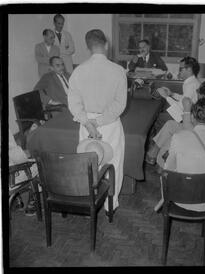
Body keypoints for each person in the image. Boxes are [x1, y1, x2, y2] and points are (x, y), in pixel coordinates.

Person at [68, 29, 127, 215]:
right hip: (109, 124)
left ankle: (90, 200)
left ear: (88, 47)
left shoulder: (78, 71)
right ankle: (111, 205)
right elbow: (119, 104)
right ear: (107, 44)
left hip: (86, 127)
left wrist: (88, 123)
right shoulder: (118, 71)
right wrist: (99, 121)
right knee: (114, 162)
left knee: (89, 164)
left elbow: (74, 104)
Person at [154, 99, 205, 222]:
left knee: (167, 172)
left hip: (178, 198)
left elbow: (168, 169)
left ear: (192, 116)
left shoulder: (178, 137)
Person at [146, 81, 205, 167]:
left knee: (169, 136)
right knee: (170, 125)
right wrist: (172, 94)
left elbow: (184, 122)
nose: (196, 92)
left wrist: (166, 97)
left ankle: (158, 158)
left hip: (195, 135)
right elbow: (187, 106)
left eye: (198, 91)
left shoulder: (203, 108)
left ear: (203, 95)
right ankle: (155, 154)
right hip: (197, 131)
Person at [153, 56, 201, 134]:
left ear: (189, 70)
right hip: (189, 112)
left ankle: (164, 142)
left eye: (181, 69)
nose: (179, 72)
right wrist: (172, 94)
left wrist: (166, 96)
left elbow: (180, 108)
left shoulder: (190, 85)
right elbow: (184, 99)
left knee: (158, 118)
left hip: (188, 118)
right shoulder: (192, 81)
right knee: (163, 112)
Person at [9, 129, 39, 216]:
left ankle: (17, 200)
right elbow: (17, 157)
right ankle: (33, 201)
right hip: (10, 178)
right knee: (40, 162)